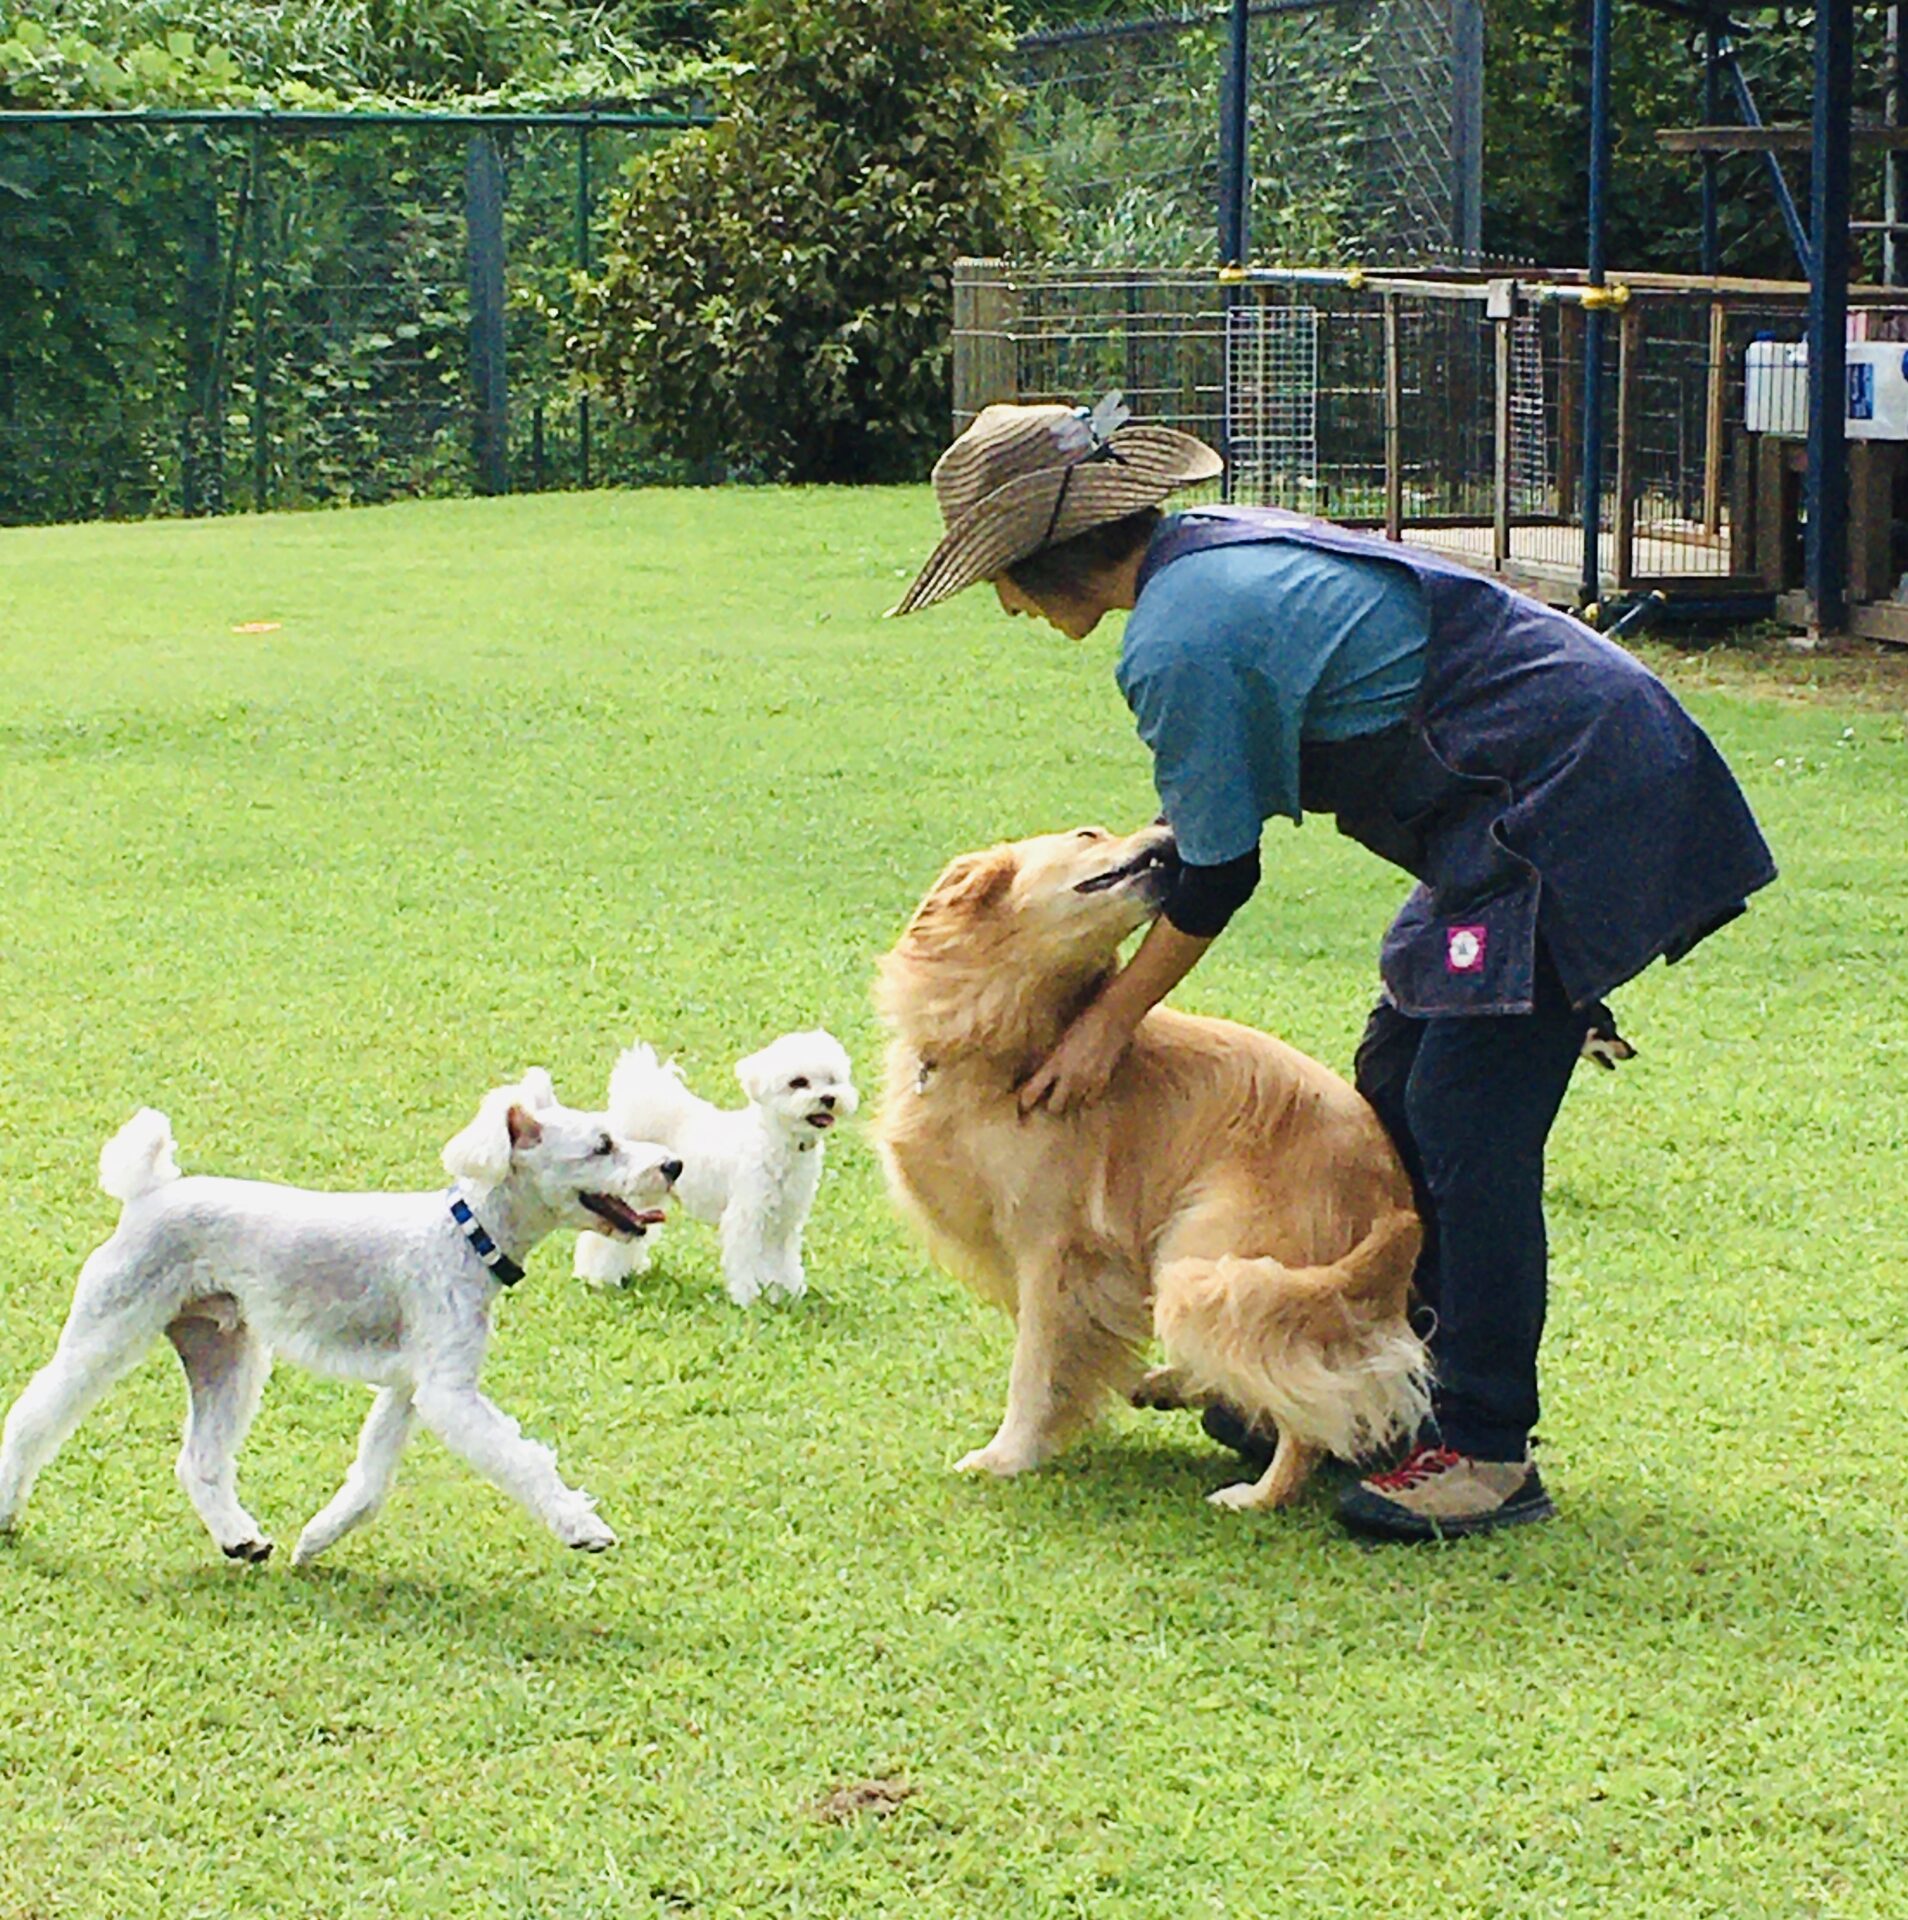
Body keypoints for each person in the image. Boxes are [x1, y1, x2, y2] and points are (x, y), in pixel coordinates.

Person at [888, 395, 1776, 1541]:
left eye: (1000, 580)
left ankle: (1485, 1450)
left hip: (1569, 800)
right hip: (1500, 823)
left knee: (1465, 1118)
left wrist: (1106, 1023)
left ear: (1041, 557)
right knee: (1396, 1076)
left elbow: (1215, 875)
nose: (1007, 605)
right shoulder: (1200, 565)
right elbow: (1196, 833)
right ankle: (1361, 1388)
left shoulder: (1177, 636)